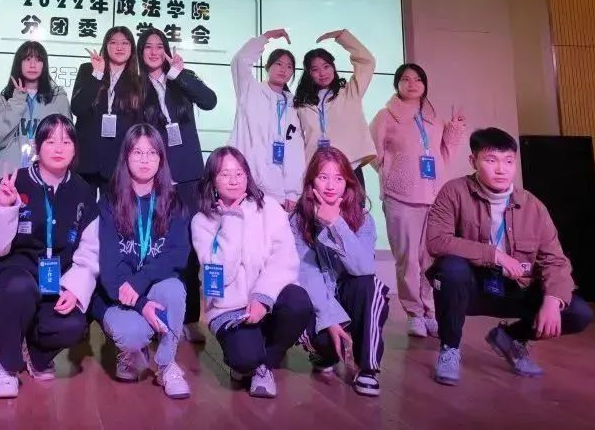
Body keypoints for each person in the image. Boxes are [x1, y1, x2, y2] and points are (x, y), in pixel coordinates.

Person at [426, 127, 593, 386]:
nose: (501, 169)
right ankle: (450, 348)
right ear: (473, 161)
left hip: (516, 288)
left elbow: (555, 261)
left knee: (578, 312)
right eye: (491, 160)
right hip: (471, 289)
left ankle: (511, 338)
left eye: (508, 161)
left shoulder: (533, 206)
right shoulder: (454, 192)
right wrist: (494, 255)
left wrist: (553, 300)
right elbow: (437, 241)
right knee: (451, 269)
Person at [0, 115, 99, 399]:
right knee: (20, 288)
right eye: (50, 141)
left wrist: (74, 288)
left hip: (54, 283)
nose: (58, 148)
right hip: (9, 277)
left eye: (66, 141)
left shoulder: (83, 191)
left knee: (73, 324)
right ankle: (6, 366)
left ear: (75, 149)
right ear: (37, 147)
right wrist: (4, 208)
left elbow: (90, 249)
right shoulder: (13, 183)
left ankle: (36, 354)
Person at [192, 146, 313, 399]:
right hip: (230, 309)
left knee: (299, 302)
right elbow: (220, 277)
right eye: (225, 174)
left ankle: (264, 364)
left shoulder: (269, 207)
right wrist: (232, 220)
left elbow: (284, 259)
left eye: (239, 173)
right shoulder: (202, 221)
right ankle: (250, 361)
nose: (234, 180)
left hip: (266, 301)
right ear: (212, 180)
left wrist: (262, 297)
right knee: (243, 359)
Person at [93, 124, 191, 399]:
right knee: (132, 335)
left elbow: (177, 255)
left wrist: (140, 283)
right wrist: (141, 303)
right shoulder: (109, 203)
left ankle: (167, 364)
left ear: (161, 159)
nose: (145, 160)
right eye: (137, 152)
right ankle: (131, 350)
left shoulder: (174, 202)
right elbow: (109, 272)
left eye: (152, 153)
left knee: (174, 289)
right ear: (126, 157)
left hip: (150, 287)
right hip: (117, 294)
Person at [369, 63, 465, 338]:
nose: (412, 83)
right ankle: (414, 313)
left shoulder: (434, 119)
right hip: (401, 198)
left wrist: (455, 130)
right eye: (405, 79)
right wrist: (394, 173)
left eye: (418, 79)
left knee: (430, 259)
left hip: (434, 197)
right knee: (407, 260)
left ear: (425, 85)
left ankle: (430, 310)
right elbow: (372, 153)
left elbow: (444, 153)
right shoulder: (385, 116)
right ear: (397, 84)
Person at [137, 27, 217, 343]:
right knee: (155, 246)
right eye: (148, 46)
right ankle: (156, 314)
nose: (154, 51)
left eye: (160, 46)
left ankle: (191, 317)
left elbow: (209, 101)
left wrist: (180, 75)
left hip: (187, 176)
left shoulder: (181, 79)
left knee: (191, 247)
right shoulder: (136, 86)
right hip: (153, 176)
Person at [292, 147, 389, 397]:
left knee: (369, 284)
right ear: (311, 180)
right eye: (323, 177)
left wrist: (336, 223)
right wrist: (330, 319)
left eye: (338, 178)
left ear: (348, 183)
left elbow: (364, 268)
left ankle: (367, 368)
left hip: (350, 295)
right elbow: (306, 274)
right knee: (323, 340)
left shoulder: (363, 219)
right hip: (320, 302)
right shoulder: (298, 220)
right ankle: (324, 353)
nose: (330, 186)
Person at [229, 29, 306, 213]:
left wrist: (293, 192)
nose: (283, 69)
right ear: (267, 66)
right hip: (246, 181)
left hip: (279, 188)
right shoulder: (250, 90)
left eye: (289, 67)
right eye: (278, 63)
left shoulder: (294, 105)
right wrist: (266, 37)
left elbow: (296, 151)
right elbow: (240, 60)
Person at [293, 29, 376, 179]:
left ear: (333, 67)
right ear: (308, 74)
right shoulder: (302, 104)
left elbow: (367, 61)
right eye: (315, 69)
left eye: (326, 66)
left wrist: (342, 36)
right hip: (317, 170)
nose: (322, 73)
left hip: (349, 166)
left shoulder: (350, 92)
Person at [72, 27, 144, 199]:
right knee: (80, 211)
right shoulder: (88, 69)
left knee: (114, 212)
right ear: (105, 46)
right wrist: (97, 74)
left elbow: (139, 124)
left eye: (125, 43)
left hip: (118, 163)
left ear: (132, 49)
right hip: (86, 160)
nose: (119, 47)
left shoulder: (139, 81)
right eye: (113, 42)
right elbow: (77, 108)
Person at [0, 41, 70, 185]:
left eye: (38, 60)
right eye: (27, 59)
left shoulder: (58, 98)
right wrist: (17, 101)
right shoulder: (7, 96)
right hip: (9, 173)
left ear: (44, 65)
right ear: (19, 63)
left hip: (47, 174)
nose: (32, 65)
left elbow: (67, 141)